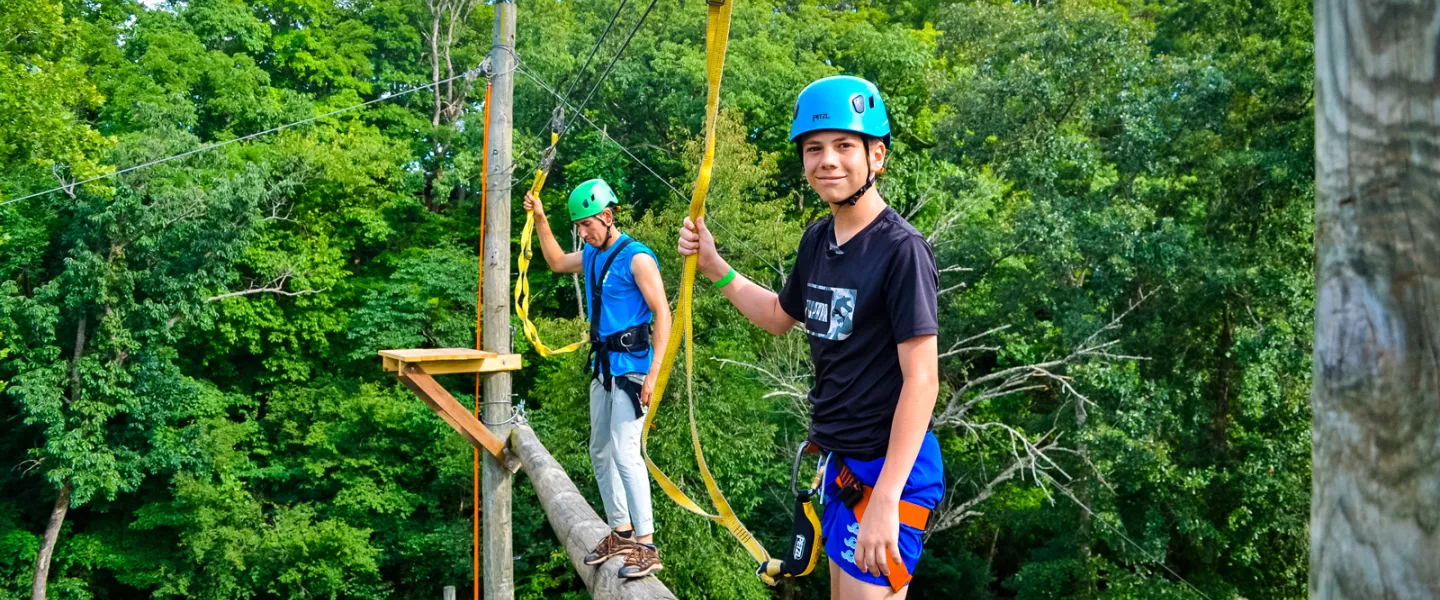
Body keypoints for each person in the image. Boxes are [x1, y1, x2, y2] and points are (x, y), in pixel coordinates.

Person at [677, 76, 942, 598]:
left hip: (889, 471)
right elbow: (780, 315)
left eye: (846, 146)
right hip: (842, 467)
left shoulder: (901, 250)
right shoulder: (818, 239)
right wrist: (715, 268)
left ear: (877, 156)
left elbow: (923, 380)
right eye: (815, 148)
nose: (828, 161)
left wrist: (887, 499)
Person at [524, 178, 671, 578]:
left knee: (625, 450)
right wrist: (540, 219)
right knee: (600, 450)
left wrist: (654, 375)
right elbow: (556, 262)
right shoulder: (591, 254)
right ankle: (621, 531)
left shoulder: (637, 258)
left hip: (633, 369)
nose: (584, 234)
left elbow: (664, 314)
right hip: (603, 367)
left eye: (588, 225)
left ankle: (647, 545)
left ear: (607, 216)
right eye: (579, 228)